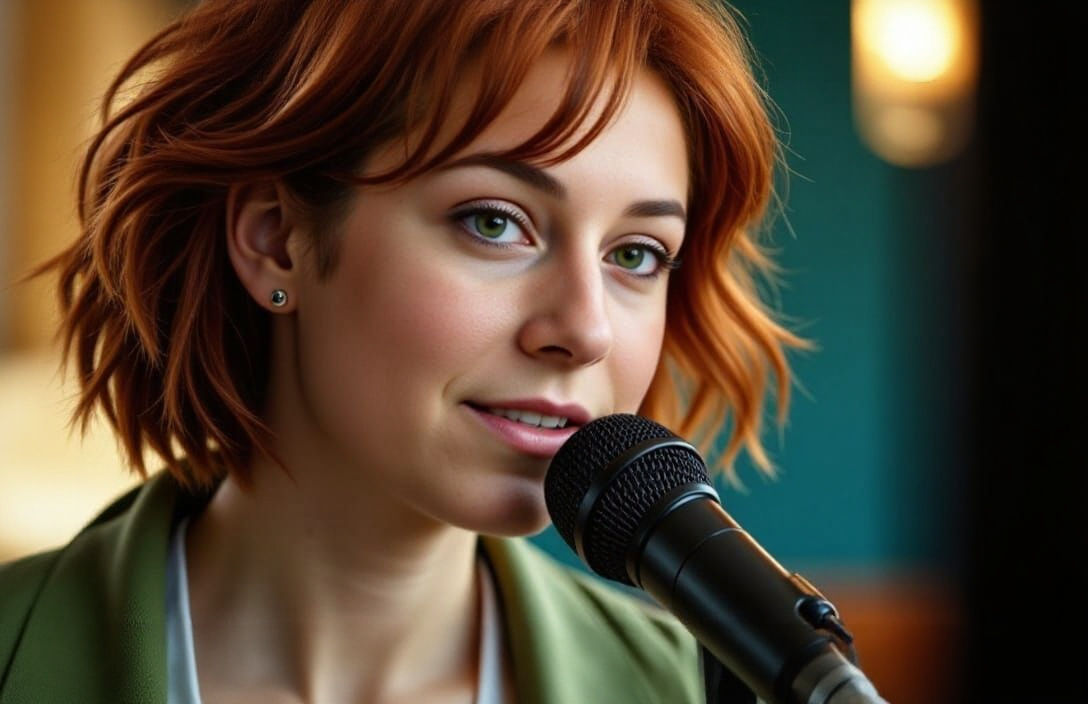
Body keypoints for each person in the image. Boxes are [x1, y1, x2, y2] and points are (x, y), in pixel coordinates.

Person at [0, 0, 805, 702]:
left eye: (635, 254)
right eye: (494, 221)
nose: (586, 330)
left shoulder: (683, 689)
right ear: (275, 240)